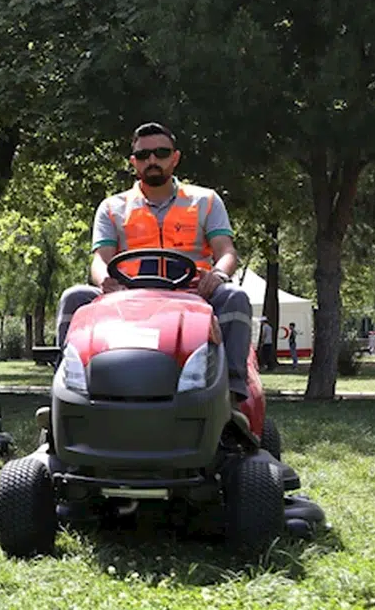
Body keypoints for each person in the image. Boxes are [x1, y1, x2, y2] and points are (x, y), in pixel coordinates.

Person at [55, 123, 253, 401]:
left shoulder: (206, 200)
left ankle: (232, 393)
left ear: (175, 157)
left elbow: (227, 251)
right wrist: (106, 282)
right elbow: (100, 260)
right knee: (74, 297)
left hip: (194, 295)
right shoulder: (112, 208)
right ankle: (68, 390)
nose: (152, 161)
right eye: (144, 155)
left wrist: (218, 275)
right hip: (128, 297)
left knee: (234, 296)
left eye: (161, 153)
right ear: (133, 162)